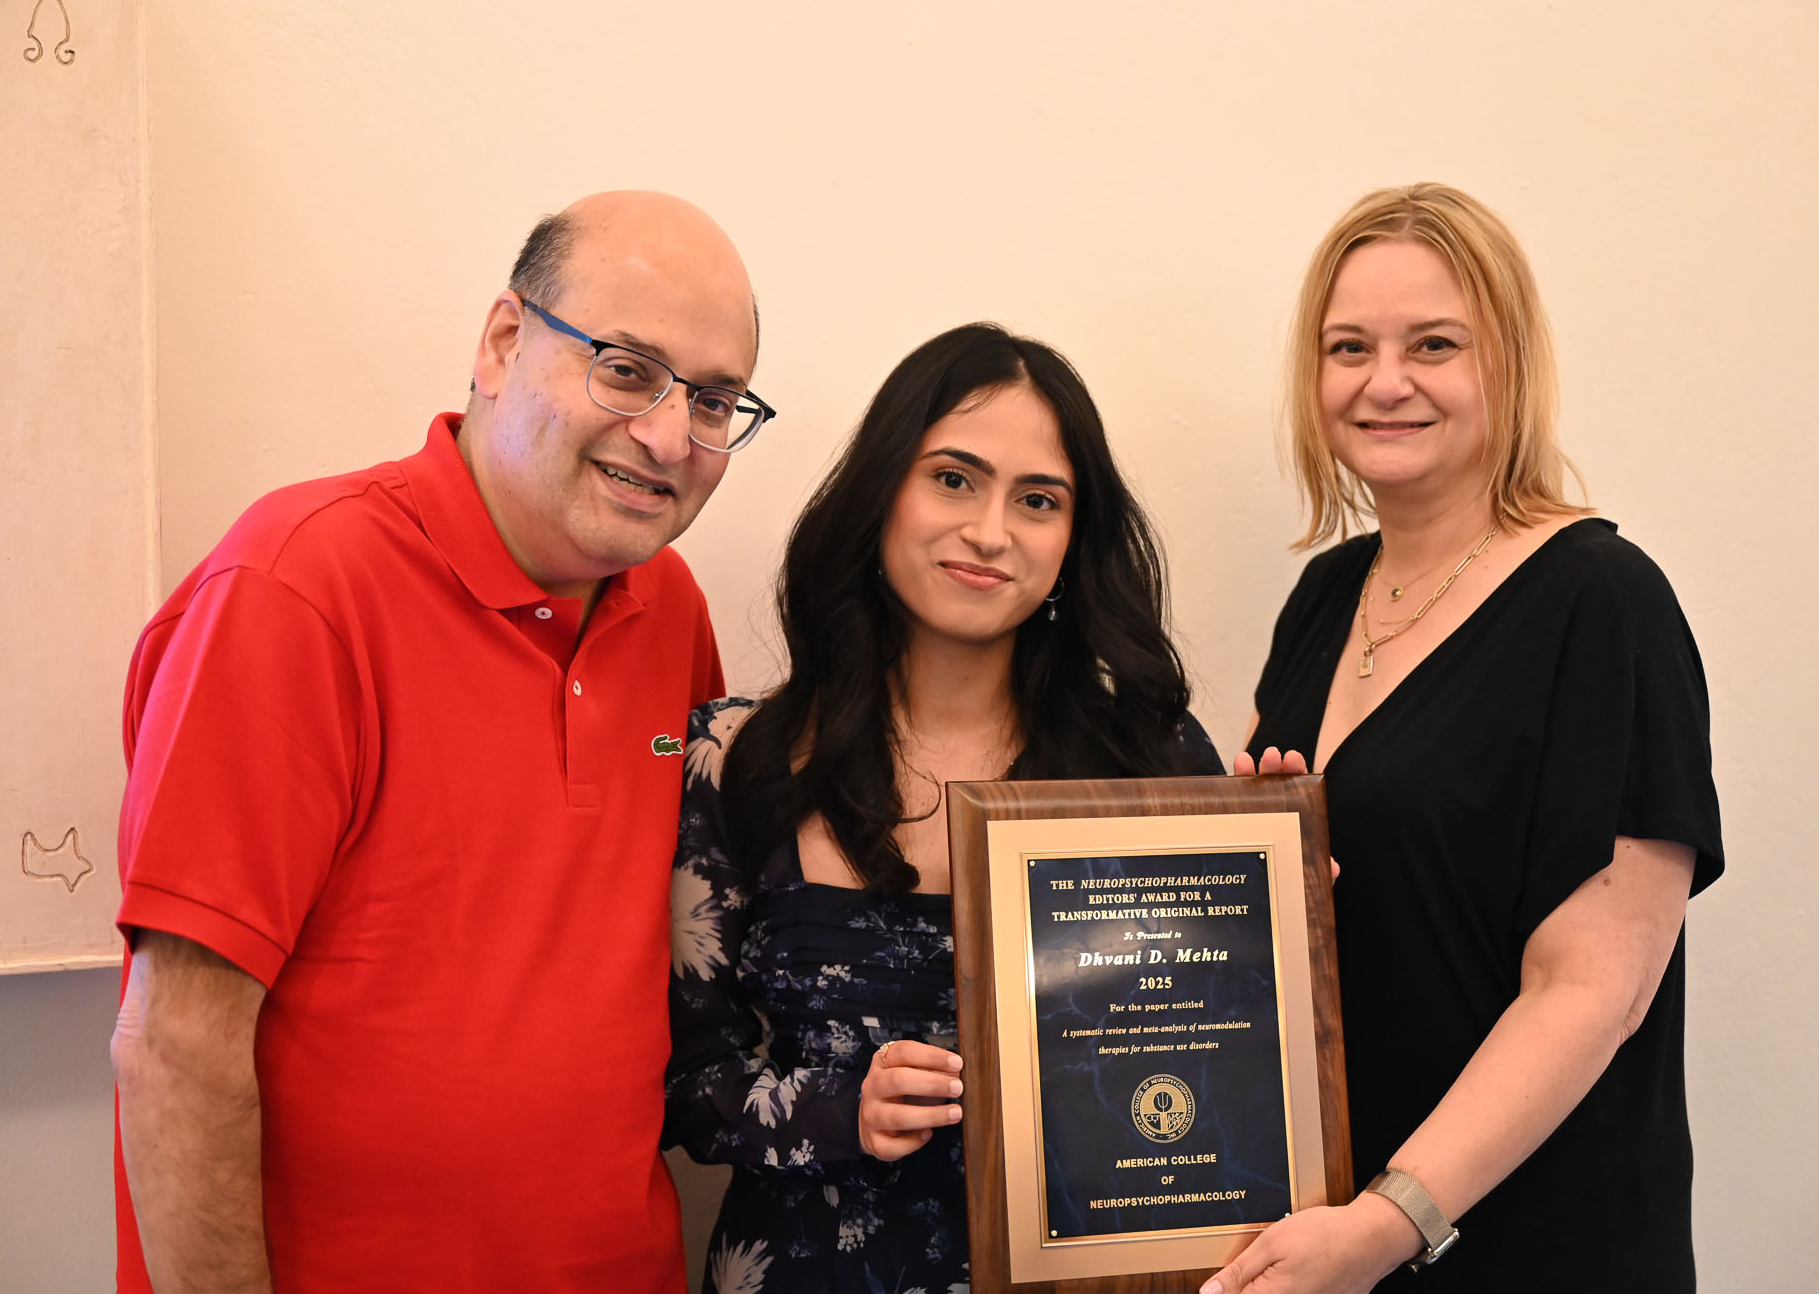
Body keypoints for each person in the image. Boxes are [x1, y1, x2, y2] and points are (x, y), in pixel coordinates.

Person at [109, 191, 771, 1294]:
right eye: (625, 370)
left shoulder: (670, 608)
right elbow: (175, 1045)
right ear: (504, 341)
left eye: (712, 400)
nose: (667, 436)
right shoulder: (295, 588)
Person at [1204, 183, 1722, 1294]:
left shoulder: (1604, 603)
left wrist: (1388, 1223)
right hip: (1325, 1235)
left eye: (1433, 344)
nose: (1384, 380)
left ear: (1507, 364)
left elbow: (1593, 992)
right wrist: (1268, 890)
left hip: (1534, 1246)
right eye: (1348, 347)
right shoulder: (1324, 595)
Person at [663, 323, 1222, 1293]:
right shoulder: (732, 753)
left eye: (1037, 499)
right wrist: (842, 1110)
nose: (991, 531)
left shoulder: (1153, 760)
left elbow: (1218, 1063)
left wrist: (1279, 907)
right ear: (882, 490)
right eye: (954, 479)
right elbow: (686, 1079)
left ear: (1072, 539)